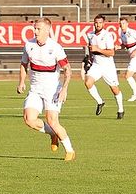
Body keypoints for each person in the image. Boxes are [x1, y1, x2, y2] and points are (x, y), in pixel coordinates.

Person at [18, 15, 76, 161]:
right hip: (35, 89)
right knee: (29, 119)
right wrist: (21, 82)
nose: (35, 31)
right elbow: (24, 64)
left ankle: (70, 150)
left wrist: (64, 88)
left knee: (52, 121)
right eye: (34, 28)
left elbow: (67, 70)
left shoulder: (55, 47)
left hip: (52, 89)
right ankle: (52, 134)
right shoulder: (28, 45)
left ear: (47, 30)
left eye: (38, 29)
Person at [82, 14, 125, 117]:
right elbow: (91, 49)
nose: (98, 24)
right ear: (94, 23)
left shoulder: (107, 35)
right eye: (96, 22)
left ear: (103, 24)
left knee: (114, 89)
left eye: (100, 22)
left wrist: (98, 49)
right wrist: (89, 59)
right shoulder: (90, 35)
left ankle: (120, 109)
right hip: (96, 65)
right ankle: (100, 102)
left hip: (107, 66)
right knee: (88, 82)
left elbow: (111, 53)